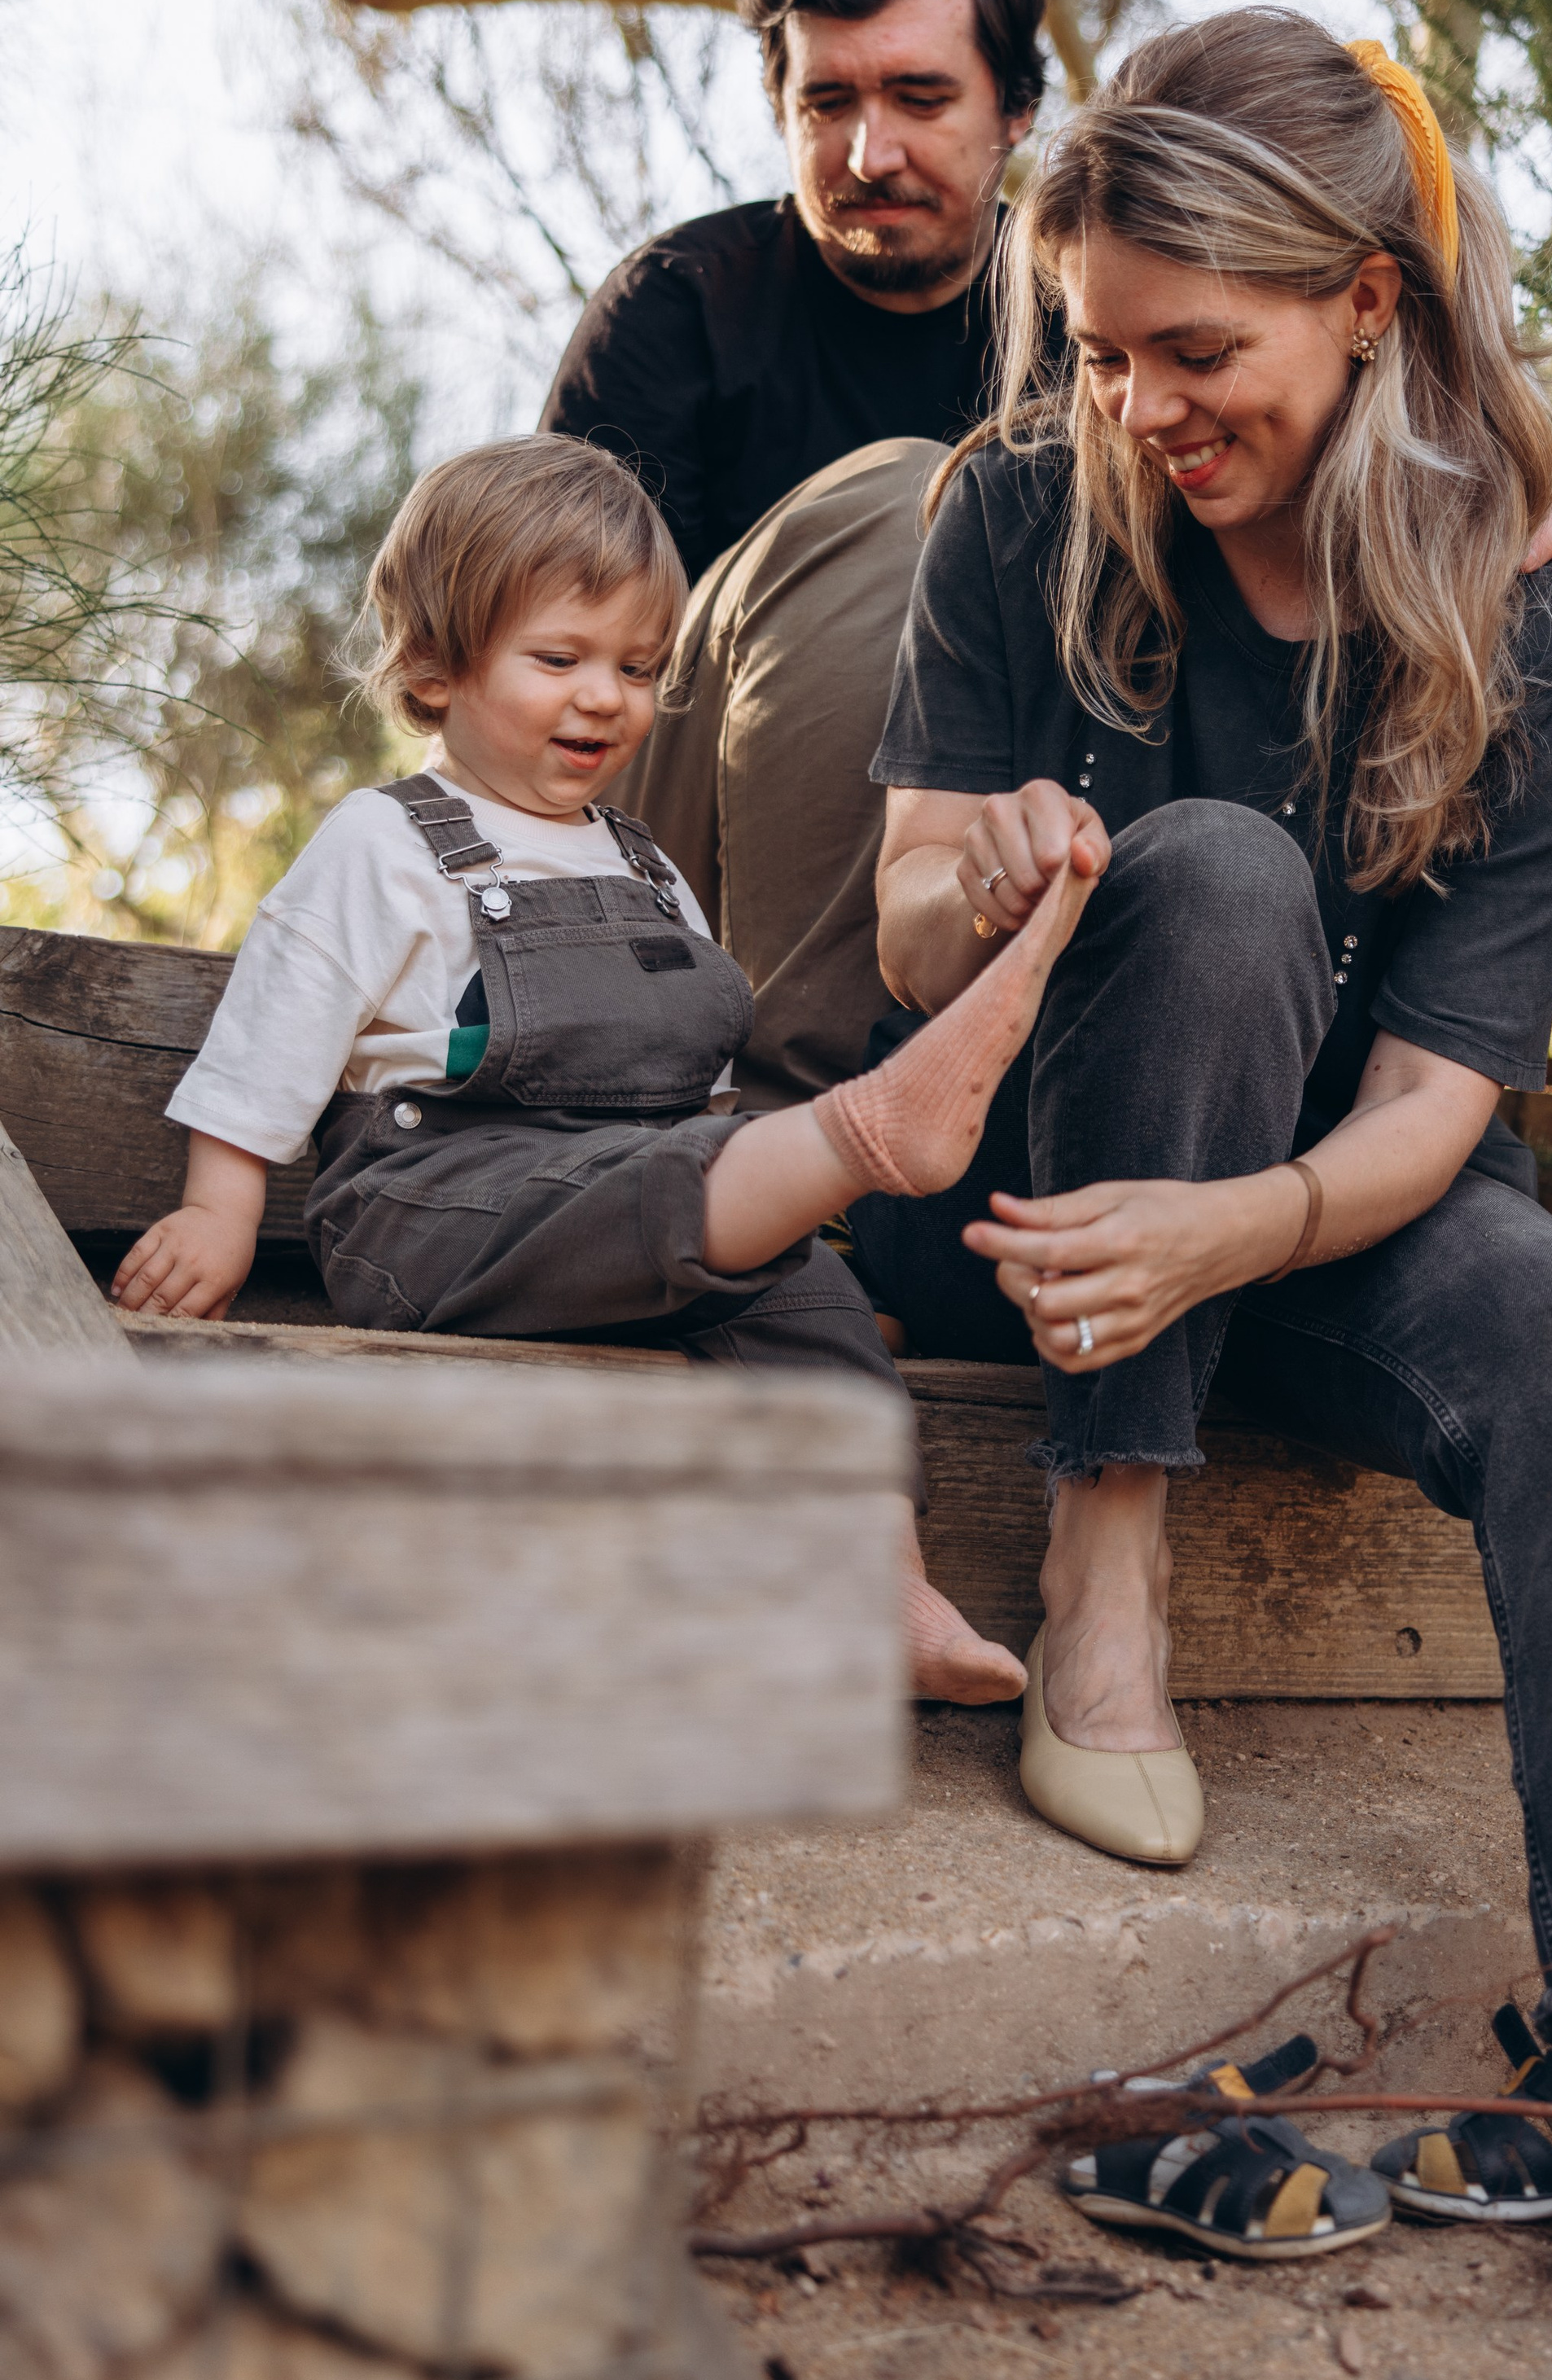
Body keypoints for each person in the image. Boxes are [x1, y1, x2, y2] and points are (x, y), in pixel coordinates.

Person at [847, 10, 1552, 2380]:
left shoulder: (1538, 630)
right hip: (1061, 1177)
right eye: (1101, 351)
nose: (1139, 406)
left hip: (1334, 1206)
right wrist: (962, 878)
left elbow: (1434, 1110)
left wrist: (1249, 1227)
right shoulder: (1020, 509)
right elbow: (897, 918)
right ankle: (1113, 1558)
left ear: (1366, 306)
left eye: (1196, 353)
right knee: (1202, 875)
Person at [542, 0, 1552, 1122]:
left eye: (919, 96)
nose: (867, 150)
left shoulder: (1105, 307)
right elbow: (526, 632)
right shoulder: (681, 304)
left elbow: (1313, 404)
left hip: (993, 901)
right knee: (917, 493)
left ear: (1014, 110)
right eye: (824, 99)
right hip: (664, 817)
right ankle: (803, 1123)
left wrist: (1491, 506)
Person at [107, 435, 1098, 1705]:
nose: (608, 699)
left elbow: (686, 1079)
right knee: (680, 1190)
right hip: (435, 1203)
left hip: (638, 1195)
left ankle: (887, 1578)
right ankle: (863, 1135)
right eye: (559, 659)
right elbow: (273, 1028)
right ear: (433, 668)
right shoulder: (385, 843)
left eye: (639, 667)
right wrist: (220, 1210)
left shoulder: (644, 868)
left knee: (810, 1305)